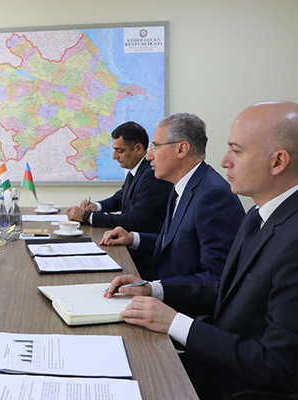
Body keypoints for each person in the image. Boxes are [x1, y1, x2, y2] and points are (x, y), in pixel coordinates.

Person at [104, 101, 298, 400]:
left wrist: (174, 322)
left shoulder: (291, 238)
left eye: (236, 151)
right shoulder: (257, 216)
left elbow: (279, 366)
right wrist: (152, 288)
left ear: (278, 162)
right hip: (212, 354)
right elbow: (225, 288)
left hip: (234, 383)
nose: (224, 161)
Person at [101, 113, 244, 284]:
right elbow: (173, 245)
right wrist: (132, 238)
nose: (149, 156)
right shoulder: (183, 186)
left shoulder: (213, 196)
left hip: (182, 298)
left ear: (181, 149)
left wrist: (155, 288)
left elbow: (217, 279)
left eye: (156, 146)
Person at [67, 122, 172, 278]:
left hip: (145, 260)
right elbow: (120, 198)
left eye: (120, 151)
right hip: (130, 251)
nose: (114, 156)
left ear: (138, 149)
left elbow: (133, 220)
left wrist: (87, 217)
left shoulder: (151, 174)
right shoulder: (137, 170)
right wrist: (96, 207)